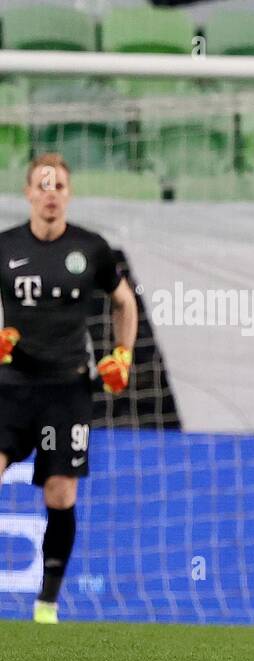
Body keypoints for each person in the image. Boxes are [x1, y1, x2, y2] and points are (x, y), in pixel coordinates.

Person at [0, 153, 138, 624]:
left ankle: (46, 604)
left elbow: (124, 302)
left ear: (68, 193)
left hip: (67, 389)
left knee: (59, 493)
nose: (51, 192)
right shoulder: (5, 247)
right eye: (43, 184)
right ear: (29, 193)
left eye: (58, 184)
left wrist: (123, 354)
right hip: (11, 386)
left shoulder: (91, 249)